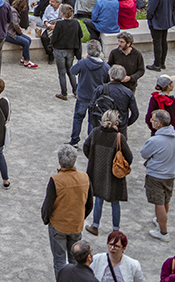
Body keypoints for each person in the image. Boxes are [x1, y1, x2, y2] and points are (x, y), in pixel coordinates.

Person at [40, 144, 93, 279]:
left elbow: (48, 205)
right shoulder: (84, 178)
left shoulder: (56, 180)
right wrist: (80, 217)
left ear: (59, 161)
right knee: (75, 261)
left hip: (58, 226)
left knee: (59, 261)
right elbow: (89, 204)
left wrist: (46, 219)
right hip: (76, 225)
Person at [84, 109, 131, 236]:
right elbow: (129, 157)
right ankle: (116, 229)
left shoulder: (95, 133)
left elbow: (85, 147)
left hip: (97, 172)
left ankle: (95, 225)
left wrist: (94, 159)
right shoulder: (119, 137)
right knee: (115, 202)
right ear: (117, 122)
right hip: (114, 174)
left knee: (98, 199)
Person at [141, 109, 175, 242]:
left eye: (152, 120)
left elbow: (144, 153)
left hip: (156, 175)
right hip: (171, 173)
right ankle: (160, 220)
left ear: (158, 124)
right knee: (165, 200)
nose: (151, 122)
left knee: (158, 203)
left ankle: (163, 232)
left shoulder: (155, 140)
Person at [70, 40, 111, 145]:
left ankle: (74, 140)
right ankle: (91, 142)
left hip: (83, 96)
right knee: (93, 121)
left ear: (88, 51)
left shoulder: (83, 63)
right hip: (97, 98)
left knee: (78, 118)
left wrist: (83, 59)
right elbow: (108, 82)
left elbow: (72, 71)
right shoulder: (106, 67)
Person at [146, 0, 175, 72]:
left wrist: (149, 18)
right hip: (166, 21)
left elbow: (150, 10)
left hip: (156, 22)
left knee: (157, 42)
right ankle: (162, 62)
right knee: (164, 41)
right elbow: (173, 7)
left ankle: (157, 64)